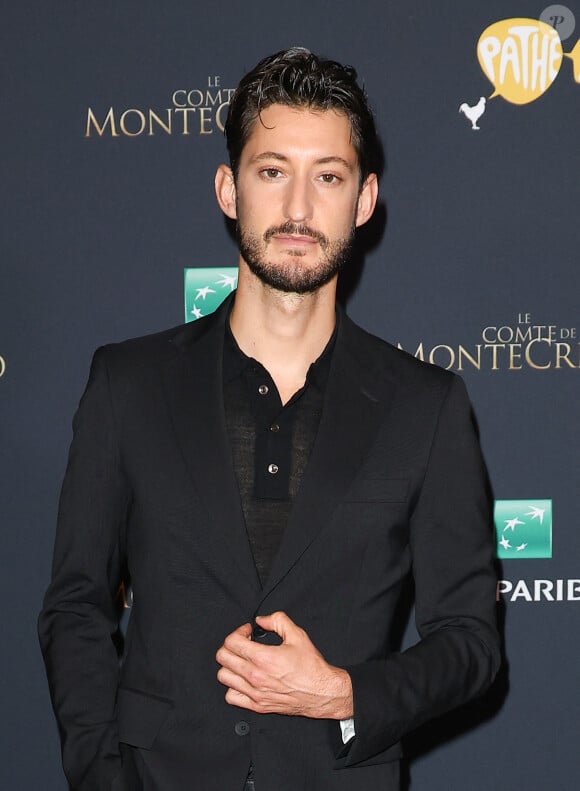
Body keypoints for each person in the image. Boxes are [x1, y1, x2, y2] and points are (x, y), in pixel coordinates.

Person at [39, 47, 501, 791]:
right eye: (271, 170)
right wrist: (103, 773)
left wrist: (344, 695)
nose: (297, 209)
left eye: (328, 176)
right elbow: (75, 605)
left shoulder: (427, 405)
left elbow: (471, 642)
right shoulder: (128, 384)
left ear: (364, 198)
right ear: (229, 189)